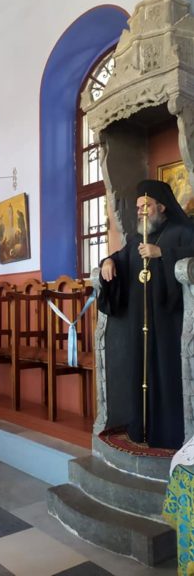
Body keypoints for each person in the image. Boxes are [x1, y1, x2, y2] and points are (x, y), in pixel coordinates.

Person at [99, 179, 194, 449]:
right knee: (141, 369)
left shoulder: (182, 231)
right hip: (140, 321)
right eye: (139, 206)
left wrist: (162, 253)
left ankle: (172, 432)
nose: (141, 211)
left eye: (147, 206)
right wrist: (107, 261)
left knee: (167, 371)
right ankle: (141, 427)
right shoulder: (136, 239)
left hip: (170, 320)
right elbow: (120, 257)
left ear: (161, 207)